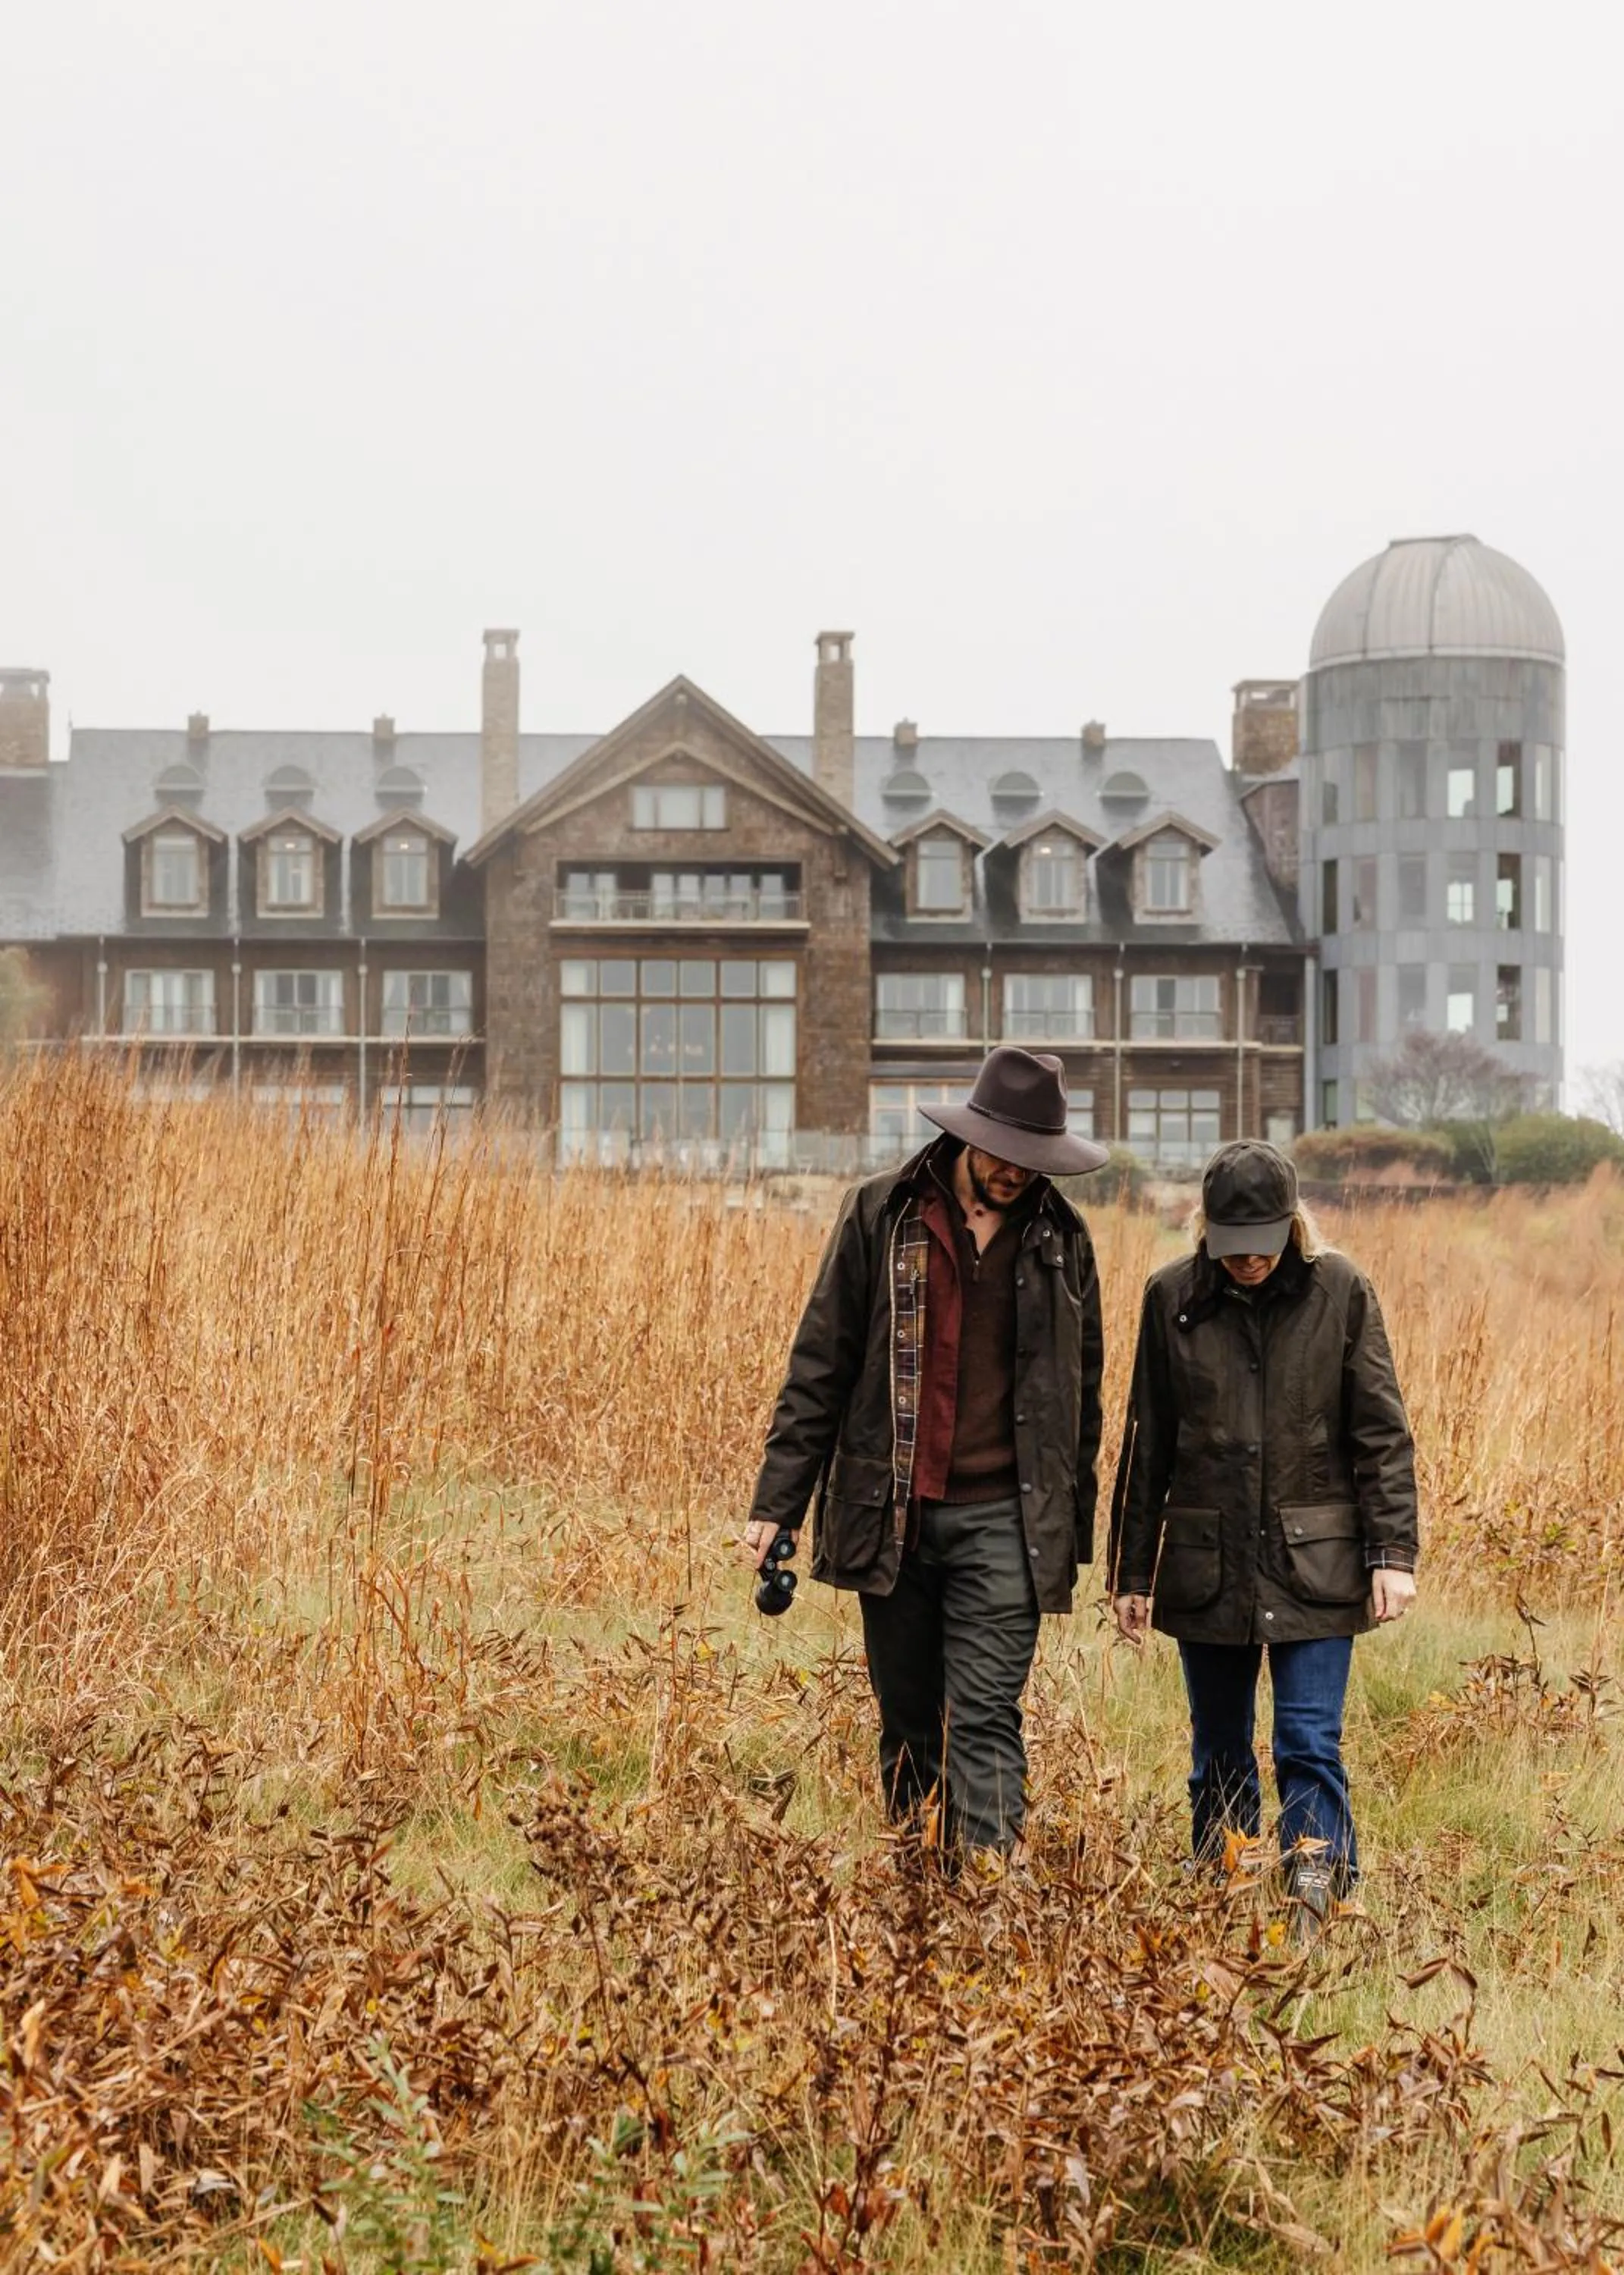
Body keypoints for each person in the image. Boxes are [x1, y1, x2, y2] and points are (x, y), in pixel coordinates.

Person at [743, 1046, 1108, 1862]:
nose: (1017, 1174)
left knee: (983, 1714)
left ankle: (985, 1896)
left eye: (1034, 1160)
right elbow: (821, 1364)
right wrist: (778, 1503)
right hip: (894, 1513)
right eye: (1005, 1156)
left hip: (1006, 1523)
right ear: (971, 1138)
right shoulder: (881, 1214)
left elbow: (1081, 1396)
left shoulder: (1062, 1237)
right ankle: (921, 1887)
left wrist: (1069, 1533)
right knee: (909, 1718)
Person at [1109, 1138, 1419, 1928]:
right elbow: (1147, 1442)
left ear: (1294, 1226)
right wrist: (1130, 1572)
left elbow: (1380, 1432)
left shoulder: (1342, 1290)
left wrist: (1392, 1556)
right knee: (1218, 1747)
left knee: (1308, 1740)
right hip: (1206, 1564)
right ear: (1204, 1230)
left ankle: (1316, 1893)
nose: (1248, 1263)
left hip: (1316, 1563)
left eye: (1263, 1247)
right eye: (1232, 1248)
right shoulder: (1169, 1296)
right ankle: (1222, 1883)